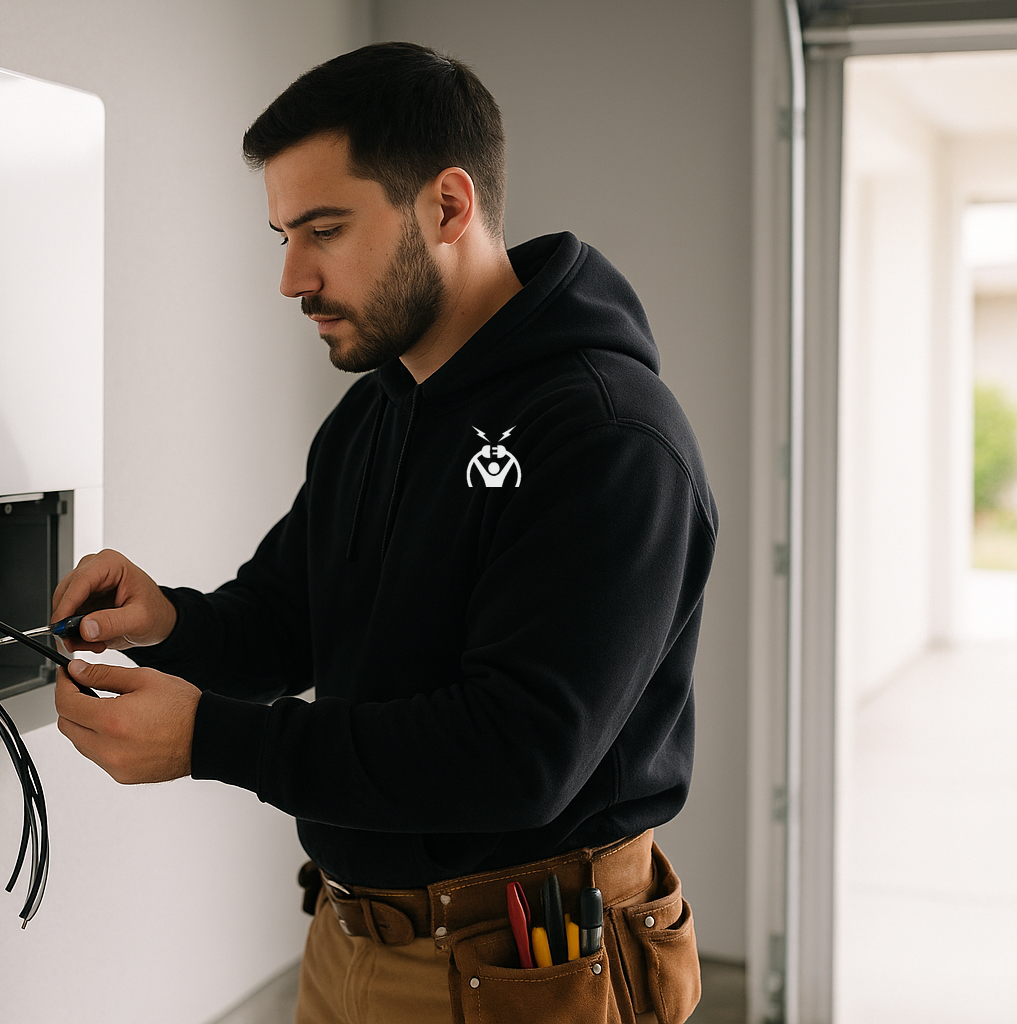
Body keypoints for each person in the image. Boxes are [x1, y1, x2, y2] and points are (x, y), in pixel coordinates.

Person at [48, 41, 714, 1024]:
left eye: (323, 228)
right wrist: (171, 622)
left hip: (527, 969)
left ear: (448, 206)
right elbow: (290, 621)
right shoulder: (376, 411)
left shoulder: (609, 437)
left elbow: (517, 754)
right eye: (281, 233)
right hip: (347, 941)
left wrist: (208, 738)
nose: (289, 276)